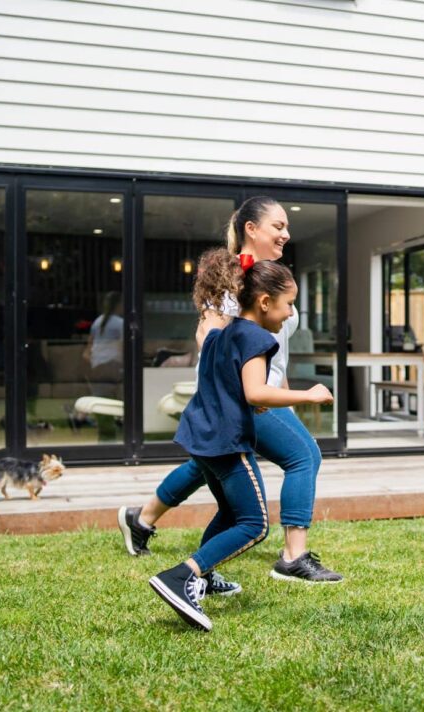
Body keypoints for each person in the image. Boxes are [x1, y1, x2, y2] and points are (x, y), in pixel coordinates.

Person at [119, 196, 343, 589]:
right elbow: (209, 336)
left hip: (264, 391)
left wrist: (286, 395)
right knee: (303, 456)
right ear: (250, 229)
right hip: (243, 397)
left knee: (209, 465)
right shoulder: (230, 279)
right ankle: (293, 557)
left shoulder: (270, 278)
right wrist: (238, 394)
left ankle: (142, 519)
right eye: (278, 226)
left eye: (287, 226)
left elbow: (278, 354)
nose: (286, 233)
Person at [150, 260, 333, 631]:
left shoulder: (225, 331)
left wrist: (253, 397)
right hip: (226, 441)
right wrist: (309, 395)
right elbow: (254, 391)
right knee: (254, 524)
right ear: (265, 302)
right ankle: (182, 576)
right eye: (287, 304)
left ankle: (201, 577)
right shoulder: (258, 339)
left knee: (232, 513)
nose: (290, 314)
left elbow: (225, 380)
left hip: (199, 435)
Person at [84, 291, 123, 397]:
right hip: (113, 367)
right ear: (119, 305)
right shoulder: (120, 323)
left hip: (96, 367)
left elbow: (88, 349)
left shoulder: (97, 322)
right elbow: (122, 348)